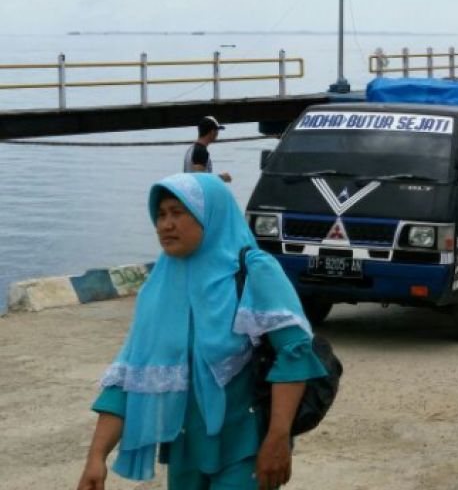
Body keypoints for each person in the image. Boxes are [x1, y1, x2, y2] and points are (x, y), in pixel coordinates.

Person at [77, 173, 327, 490]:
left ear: (209, 216)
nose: (165, 224)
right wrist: (96, 457)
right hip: (185, 453)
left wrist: (278, 438)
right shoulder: (159, 288)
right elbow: (131, 375)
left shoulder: (254, 270)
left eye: (178, 213)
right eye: (161, 214)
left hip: (245, 447)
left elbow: (294, 354)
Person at [186, 116, 232, 183]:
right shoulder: (201, 151)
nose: (217, 133)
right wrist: (221, 178)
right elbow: (200, 179)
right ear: (212, 132)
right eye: (217, 130)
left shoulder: (191, 149)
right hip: (196, 192)